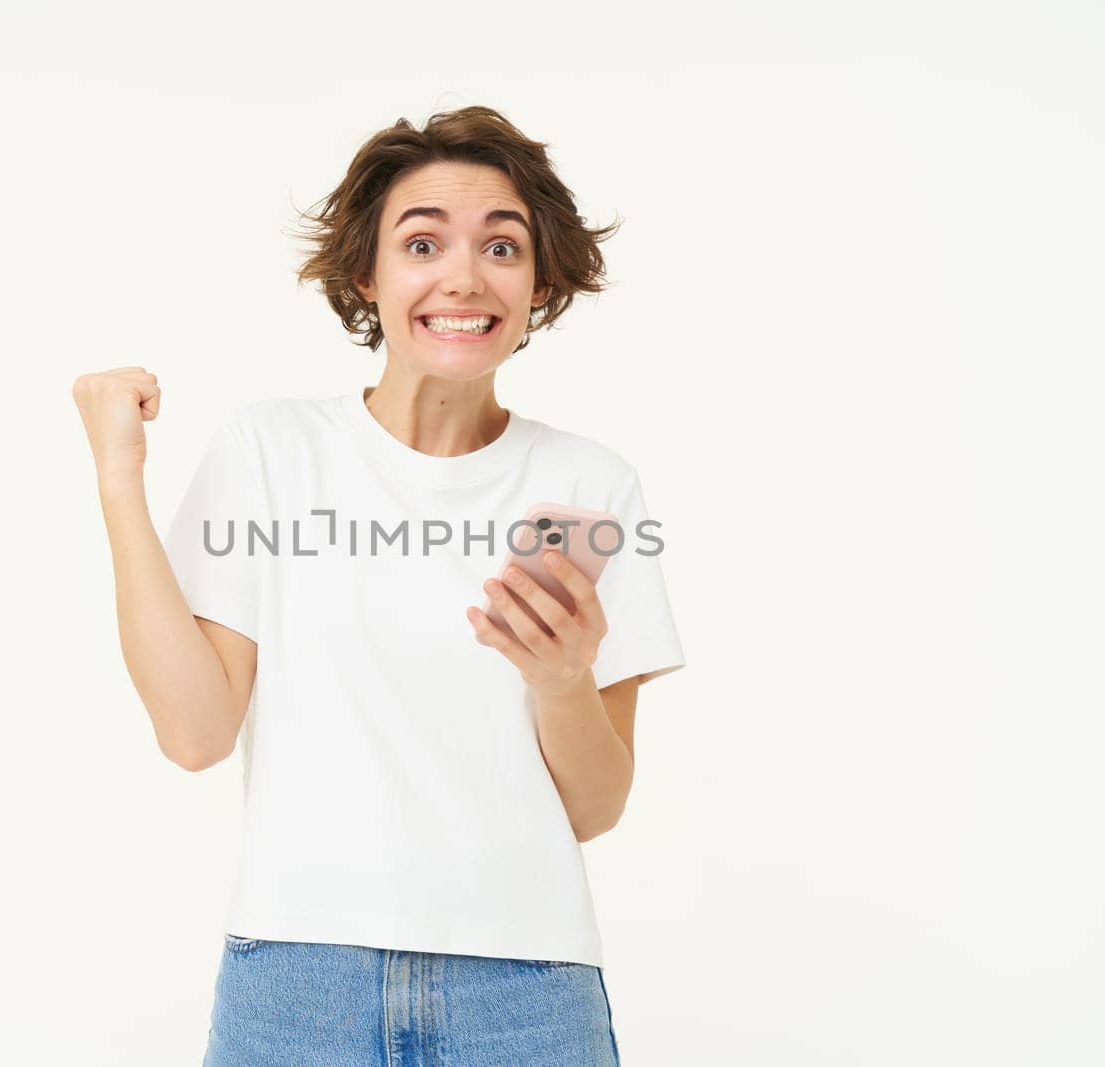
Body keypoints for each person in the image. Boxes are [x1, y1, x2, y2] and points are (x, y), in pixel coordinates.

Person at [72, 105, 685, 1066]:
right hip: (297, 985)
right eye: (423, 241)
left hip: (526, 995)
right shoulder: (270, 453)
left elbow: (596, 806)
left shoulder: (591, 487)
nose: (464, 277)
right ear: (368, 274)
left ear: (541, 282)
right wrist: (119, 478)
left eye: (503, 247)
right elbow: (194, 734)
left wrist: (563, 682)